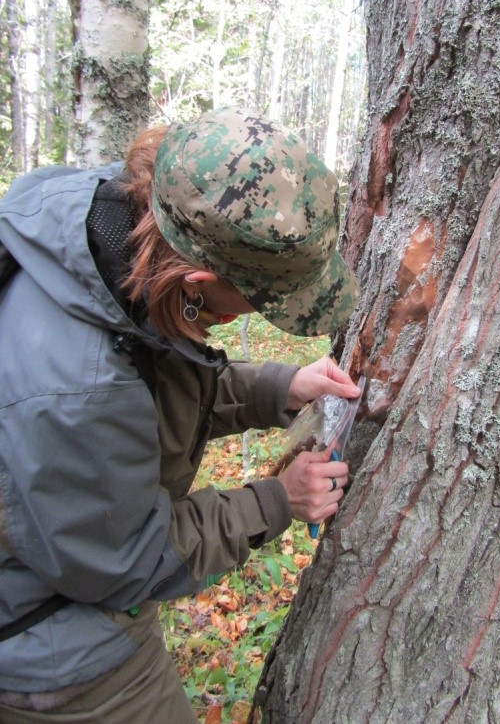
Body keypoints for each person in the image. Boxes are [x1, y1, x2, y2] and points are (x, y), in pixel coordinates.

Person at [0, 107, 360, 723]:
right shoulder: (77, 389)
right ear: (198, 277)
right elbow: (125, 559)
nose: (246, 316)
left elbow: (154, 394)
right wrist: (278, 500)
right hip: (59, 649)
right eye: (253, 302)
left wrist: (281, 388)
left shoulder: (131, 231)